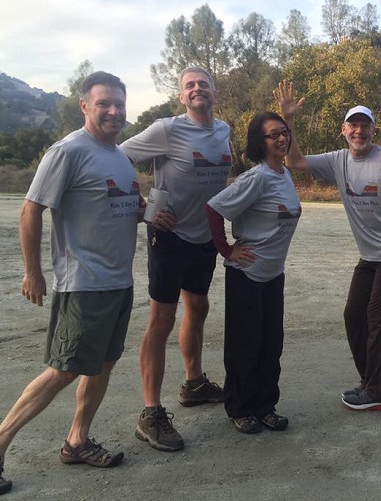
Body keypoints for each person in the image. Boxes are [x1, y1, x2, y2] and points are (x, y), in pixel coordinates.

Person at [0, 72, 140, 496]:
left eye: (119, 104)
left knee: (103, 364)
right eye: (104, 103)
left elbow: (119, 204)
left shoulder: (118, 155)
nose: (113, 111)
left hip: (118, 281)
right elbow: (30, 209)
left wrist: (146, 212)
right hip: (84, 282)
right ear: (85, 106)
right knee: (64, 369)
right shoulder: (68, 150)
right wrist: (33, 271)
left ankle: (77, 441)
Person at [274, 80, 381, 411]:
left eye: (365, 125)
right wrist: (288, 120)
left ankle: (379, 392)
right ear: (344, 130)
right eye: (353, 125)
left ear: (374, 130)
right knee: (354, 315)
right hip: (370, 254)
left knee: (380, 320)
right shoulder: (337, 160)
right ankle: (371, 381)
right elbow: (294, 161)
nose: (359, 131)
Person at [120, 66, 231, 452]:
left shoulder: (224, 131)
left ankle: (194, 383)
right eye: (190, 86)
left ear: (214, 92)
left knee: (198, 306)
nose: (197, 89)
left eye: (203, 84)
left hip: (205, 236)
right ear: (181, 97)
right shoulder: (166, 129)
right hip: (168, 235)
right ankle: (151, 412)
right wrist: (143, 206)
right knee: (162, 319)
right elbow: (117, 157)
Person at [206, 112, 301, 434]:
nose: (281, 138)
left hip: (273, 274)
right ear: (260, 142)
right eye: (273, 134)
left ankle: (265, 406)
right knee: (244, 346)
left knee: (271, 344)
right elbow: (214, 208)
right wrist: (226, 249)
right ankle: (241, 408)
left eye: (284, 132)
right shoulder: (256, 178)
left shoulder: (284, 174)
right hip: (246, 275)